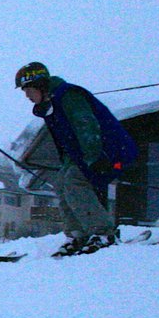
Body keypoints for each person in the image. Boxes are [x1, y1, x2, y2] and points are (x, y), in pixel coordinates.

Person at [15, 62, 138, 257]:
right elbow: (64, 141)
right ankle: (77, 234)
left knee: (74, 182)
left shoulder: (68, 96)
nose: (27, 96)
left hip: (108, 152)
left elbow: (86, 125)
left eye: (28, 90)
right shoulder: (51, 106)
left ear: (41, 86)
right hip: (81, 156)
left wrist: (94, 157)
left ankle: (103, 233)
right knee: (62, 183)